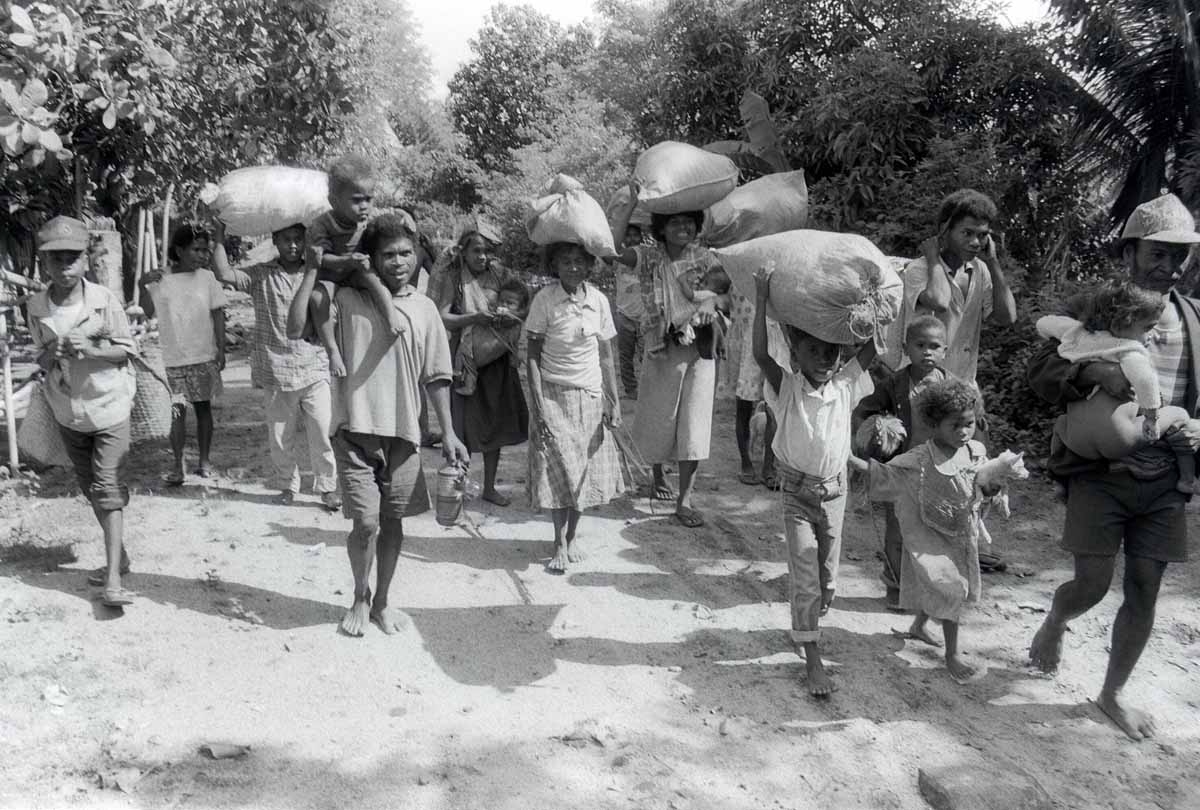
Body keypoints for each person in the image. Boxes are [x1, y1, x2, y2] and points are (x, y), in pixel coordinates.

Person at [1027, 192, 1200, 741]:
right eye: (1157, 253)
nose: (1169, 265)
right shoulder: (1097, 306)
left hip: (1166, 474)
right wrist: (1091, 377)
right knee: (1093, 585)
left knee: (1146, 587)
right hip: (1101, 470)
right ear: (1129, 253)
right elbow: (1041, 374)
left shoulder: (1194, 318)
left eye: (1181, 255)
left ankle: (1112, 694)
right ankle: (1056, 621)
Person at [296, 213, 470, 637]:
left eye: (406, 253)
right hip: (355, 429)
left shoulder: (425, 309)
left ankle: (384, 601)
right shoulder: (344, 299)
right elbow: (297, 323)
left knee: (394, 522)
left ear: (417, 256)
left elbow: (437, 377)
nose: (398, 262)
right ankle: (359, 594)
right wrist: (313, 268)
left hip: (405, 434)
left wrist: (448, 433)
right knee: (367, 522)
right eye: (388, 254)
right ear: (370, 258)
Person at [753, 265, 876, 697]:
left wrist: (874, 304)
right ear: (796, 351)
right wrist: (763, 297)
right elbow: (761, 355)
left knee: (826, 581)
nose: (825, 359)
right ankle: (813, 660)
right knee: (805, 575)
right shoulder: (785, 387)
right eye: (814, 350)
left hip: (835, 493)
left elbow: (872, 349)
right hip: (796, 495)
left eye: (832, 352)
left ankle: (808, 622)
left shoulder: (844, 385)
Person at [850, 379, 1000, 683]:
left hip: (961, 534)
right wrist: (848, 459)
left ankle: (918, 625)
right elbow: (887, 473)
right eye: (954, 425)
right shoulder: (921, 458)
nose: (963, 432)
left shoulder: (975, 451)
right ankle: (952, 655)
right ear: (934, 423)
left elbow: (985, 484)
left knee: (942, 588)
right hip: (929, 536)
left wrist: (995, 485)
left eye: (969, 424)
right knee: (951, 589)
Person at [899, 189, 1017, 572]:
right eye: (967, 233)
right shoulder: (920, 270)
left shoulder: (979, 271)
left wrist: (995, 264)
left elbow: (1007, 316)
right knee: (927, 473)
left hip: (965, 386)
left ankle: (967, 544)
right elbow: (935, 299)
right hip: (927, 386)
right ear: (945, 230)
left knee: (975, 467)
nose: (976, 242)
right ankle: (913, 555)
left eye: (983, 235)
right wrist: (934, 258)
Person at [27, 216, 137, 607]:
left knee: (107, 487)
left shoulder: (104, 302)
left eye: (72, 257)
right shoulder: (37, 307)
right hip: (68, 412)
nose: (64, 266)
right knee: (92, 487)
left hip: (108, 407)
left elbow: (126, 351)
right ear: (45, 264)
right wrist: (50, 352)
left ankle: (112, 581)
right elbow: (38, 358)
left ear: (86, 261)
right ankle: (118, 557)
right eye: (55, 259)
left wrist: (90, 350)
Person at [609, 183, 726, 526]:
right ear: (661, 228)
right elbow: (612, 250)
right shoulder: (648, 256)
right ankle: (658, 476)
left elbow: (727, 298)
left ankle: (685, 500)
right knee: (659, 416)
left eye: (689, 222)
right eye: (674, 223)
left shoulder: (706, 257)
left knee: (695, 421)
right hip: (661, 347)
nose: (683, 228)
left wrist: (709, 301)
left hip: (700, 349)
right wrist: (630, 204)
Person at [210, 219, 341, 510]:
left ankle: (328, 488)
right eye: (286, 240)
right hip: (275, 367)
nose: (292, 245)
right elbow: (222, 273)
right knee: (280, 435)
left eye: (298, 239)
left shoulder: (318, 271)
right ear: (275, 241)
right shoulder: (261, 275)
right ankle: (286, 485)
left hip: (314, 364)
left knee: (321, 431)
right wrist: (219, 233)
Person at [1036, 281, 1196, 494]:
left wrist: (1050, 333)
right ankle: (1187, 479)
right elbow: (1145, 381)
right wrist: (1151, 417)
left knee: (1060, 423)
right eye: (1148, 328)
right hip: (1119, 437)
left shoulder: (1076, 332)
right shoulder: (1129, 349)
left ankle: (1057, 475)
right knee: (1179, 415)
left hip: (1076, 440)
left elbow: (1045, 323)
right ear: (1123, 324)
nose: (1151, 335)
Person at [526, 242, 625, 572]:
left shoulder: (598, 300)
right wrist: (538, 402)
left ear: (589, 266)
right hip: (554, 395)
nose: (573, 268)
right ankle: (557, 540)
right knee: (558, 469)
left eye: (579, 262)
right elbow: (532, 355)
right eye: (566, 262)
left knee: (583, 469)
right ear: (555, 265)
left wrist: (614, 401)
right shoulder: (545, 300)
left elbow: (607, 356)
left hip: (590, 396)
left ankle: (572, 536)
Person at [853, 316, 956, 609]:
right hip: (900, 471)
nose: (927, 352)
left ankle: (923, 588)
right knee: (897, 531)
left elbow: (971, 421)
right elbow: (863, 412)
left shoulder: (951, 386)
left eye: (935, 346)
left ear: (945, 350)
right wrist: (870, 436)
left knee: (929, 534)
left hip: (937, 473)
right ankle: (895, 586)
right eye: (920, 345)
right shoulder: (894, 384)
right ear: (905, 347)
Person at [427, 230, 529, 506]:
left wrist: (510, 316)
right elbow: (443, 317)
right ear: (463, 251)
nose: (482, 257)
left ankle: (489, 487)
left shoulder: (499, 276)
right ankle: (457, 485)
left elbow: (523, 307)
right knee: (463, 426)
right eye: (476, 251)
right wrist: (476, 317)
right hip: (466, 360)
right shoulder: (454, 279)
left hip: (496, 360)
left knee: (494, 424)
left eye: (486, 251)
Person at [294, 154, 404, 376]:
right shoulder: (322, 225)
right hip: (330, 277)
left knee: (374, 280)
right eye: (356, 200)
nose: (364, 206)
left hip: (356, 271)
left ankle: (392, 317)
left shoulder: (366, 221)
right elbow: (320, 259)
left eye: (369, 199)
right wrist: (347, 260)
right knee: (317, 299)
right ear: (334, 201)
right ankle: (333, 351)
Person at [143, 224, 226, 485]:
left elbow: (218, 313)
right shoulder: (161, 279)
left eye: (206, 250)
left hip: (203, 355)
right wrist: (141, 283)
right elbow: (147, 311)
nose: (203, 255)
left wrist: (221, 348)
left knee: (203, 409)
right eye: (197, 249)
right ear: (179, 250)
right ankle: (178, 464)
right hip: (175, 358)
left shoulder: (208, 278)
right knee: (177, 410)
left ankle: (204, 461)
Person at [611, 221, 647, 398]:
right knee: (625, 356)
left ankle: (651, 389)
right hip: (624, 314)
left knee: (646, 355)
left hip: (645, 315)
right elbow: (606, 254)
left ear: (641, 237)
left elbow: (612, 251)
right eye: (628, 235)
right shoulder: (617, 260)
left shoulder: (643, 254)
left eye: (635, 235)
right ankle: (631, 390)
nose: (632, 238)